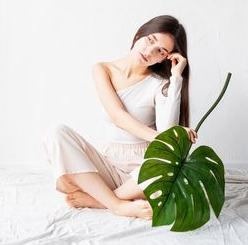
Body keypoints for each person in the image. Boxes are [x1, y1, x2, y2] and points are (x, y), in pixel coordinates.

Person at [43, 15, 198, 220]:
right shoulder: (102, 69)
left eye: (161, 51)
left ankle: (100, 200)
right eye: (150, 40)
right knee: (56, 133)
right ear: (139, 34)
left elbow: (166, 132)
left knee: (171, 157)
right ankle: (118, 204)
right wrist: (162, 139)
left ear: (165, 58)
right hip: (109, 165)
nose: (150, 52)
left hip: (144, 170)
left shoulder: (159, 83)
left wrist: (176, 78)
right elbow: (118, 116)